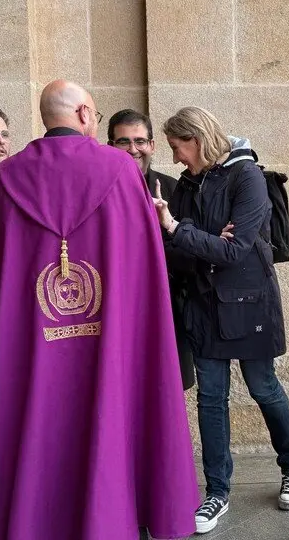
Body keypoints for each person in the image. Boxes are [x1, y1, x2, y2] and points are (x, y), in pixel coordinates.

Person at [0, 80, 198, 540]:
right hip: (109, 340)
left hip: (32, 342)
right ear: (87, 114)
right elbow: (141, 271)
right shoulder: (120, 168)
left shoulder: (8, 177)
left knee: (36, 422)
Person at [152, 106, 289, 534]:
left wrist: (179, 228)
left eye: (178, 147)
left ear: (197, 139)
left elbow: (235, 250)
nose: (176, 157)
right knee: (210, 398)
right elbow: (177, 252)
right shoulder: (186, 182)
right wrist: (198, 238)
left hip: (249, 302)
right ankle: (217, 491)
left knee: (264, 387)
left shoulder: (247, 176)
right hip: (203, 304)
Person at [108, 109, 194, 390]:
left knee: (167, 388)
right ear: (110, 146)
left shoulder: (173, 189)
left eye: (140, 141)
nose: (133, 149)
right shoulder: (100, 190)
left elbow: (188, 251)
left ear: (152, 145)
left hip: (166, 308)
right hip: (116, 310)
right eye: (123, 141)